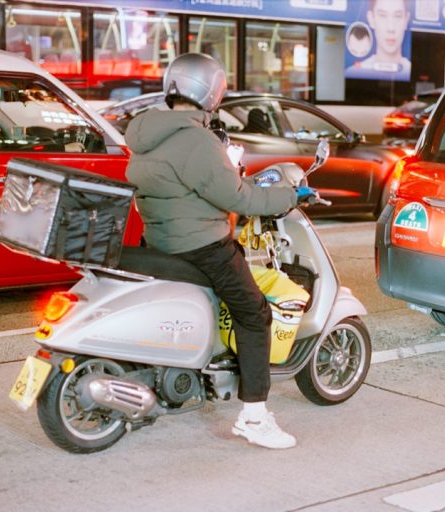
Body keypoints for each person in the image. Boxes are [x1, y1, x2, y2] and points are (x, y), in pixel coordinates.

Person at [124, 53, 317, 450]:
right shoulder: (196, 139)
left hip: (159, 241)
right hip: (203, 246)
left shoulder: (146, 131)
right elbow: (239, 197)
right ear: (212, 92)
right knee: (253, 311)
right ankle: (255, 416)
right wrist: (288, 195)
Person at [346, 0, 412, 81]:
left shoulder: (412, 72)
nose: (390, 28)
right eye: (383, 16)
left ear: (406, 20)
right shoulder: (354, 72)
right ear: (371, 18)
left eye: (398, 16)